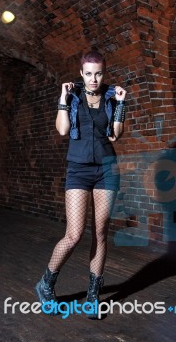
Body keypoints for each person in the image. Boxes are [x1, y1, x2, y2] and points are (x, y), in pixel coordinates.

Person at [35, 50, 127, 319]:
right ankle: (46, 284)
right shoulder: (72, 94)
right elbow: (63, 130)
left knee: (100, 233)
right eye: (88, 74)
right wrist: (63, 99)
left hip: (106, 170)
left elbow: (116, 135)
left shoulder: (112, 95)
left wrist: (121, 104)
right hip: (78, 170)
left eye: (98, 73)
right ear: (81, 73)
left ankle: (92, 296)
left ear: (104, 72)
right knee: (74, 235)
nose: (94, 79)